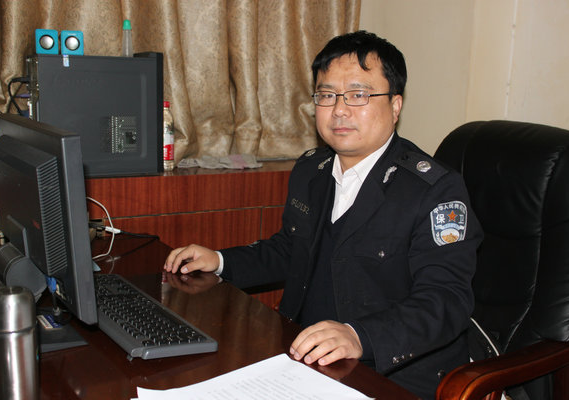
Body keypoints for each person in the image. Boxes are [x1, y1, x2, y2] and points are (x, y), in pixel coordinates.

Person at [164, 30, 483, 399]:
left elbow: (446, 301)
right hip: (305, 358)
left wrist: (360, 336)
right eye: (327, 95)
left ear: (395, 106)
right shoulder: (311, 170)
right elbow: (290, 251)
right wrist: (220, 261)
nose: (339, 110)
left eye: (359, 95)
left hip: (392, 374)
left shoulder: (434, 190)